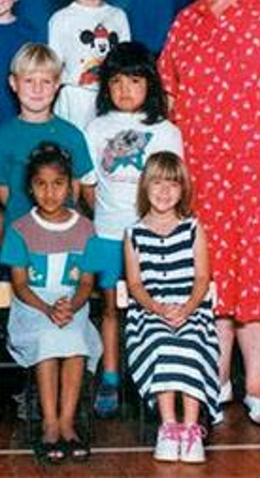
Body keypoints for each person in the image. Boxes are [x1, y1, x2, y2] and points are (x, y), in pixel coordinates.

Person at [157, 0, 260, 426]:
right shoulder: (186, 22)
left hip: (258, 167)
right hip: (202, 170)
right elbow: (166, 94)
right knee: (211, 277)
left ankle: (256, 384)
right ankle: (219, 378)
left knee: (255, 274)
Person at [81, 41, 183, 417]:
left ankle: (158, 380)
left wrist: (151, 227)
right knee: (111, 308)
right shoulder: (95, 128)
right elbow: (88, 187)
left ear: (150, 85)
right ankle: (109, 376)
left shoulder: (166, 131)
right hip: (108, 234)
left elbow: (173, 186)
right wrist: (108, 218)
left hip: (153, 238)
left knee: (153, 308)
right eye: (117, 81)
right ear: (106, 85)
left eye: (135, 81)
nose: (125, 90)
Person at [3, 143, 101, 464]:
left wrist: (71, 307)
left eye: (58, 184)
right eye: (41, 184)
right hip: (32, 305)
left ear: (70, 185)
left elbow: (87, 282)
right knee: (48, 337)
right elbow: (19, 284)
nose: (50, 192)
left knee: (73, 337)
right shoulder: (19, 229)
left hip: (73, 303)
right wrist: (48, 309)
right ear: (31, 188)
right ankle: (48, 422)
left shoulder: (88, 229)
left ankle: (67, 422)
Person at [124, 152, 220, 464]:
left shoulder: (193, 228)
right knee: (161, 343)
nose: (164, 192)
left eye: (173, 185)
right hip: (150, 312)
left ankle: (191, 429)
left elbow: (203, 277)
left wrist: (189, 307)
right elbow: (135, 285)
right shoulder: (133, 233)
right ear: (144, 187)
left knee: (192, 343)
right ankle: (168, 427)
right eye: (157, 183)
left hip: (192, 309)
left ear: (183, 190)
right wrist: (158, 308)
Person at [0, 42, 96, 226]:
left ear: (57, 84)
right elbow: (3, 190)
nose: (37, 89)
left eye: (45, 81)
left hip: (61, 230)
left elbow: (75, 190)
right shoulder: (5, 135)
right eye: (29, 81)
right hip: (20, 230)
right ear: (14, 83)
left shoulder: (72, 135)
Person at [49, 0, 132, 130]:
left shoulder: (118, 16)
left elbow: (125, 63)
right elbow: (53, 67)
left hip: (110, 97)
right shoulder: (60, 19)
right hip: (74, 99)